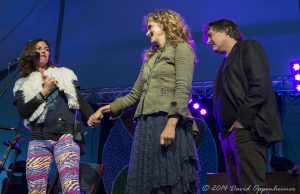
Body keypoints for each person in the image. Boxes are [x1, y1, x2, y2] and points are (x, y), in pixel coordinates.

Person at [88, 9, 199, 194]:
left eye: (150, 27)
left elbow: (182, 89)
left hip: (168, 121)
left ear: (164, 24)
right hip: (146, 126)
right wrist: (104, 109)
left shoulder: (181, 48)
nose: (147, 32)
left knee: (168, 180)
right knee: (145, 182)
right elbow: (134, 95)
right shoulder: (150, 58)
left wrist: (171, 124)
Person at [203, 19, 283, 193]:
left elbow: (260, 85)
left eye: (210, 35)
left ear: (225, 30)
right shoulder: (225, 63)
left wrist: (242, 121)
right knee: (240, 189)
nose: (208, 41)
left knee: (253, 188)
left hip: (246, 131)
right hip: (230, 136)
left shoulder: (248, 47)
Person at [13, 38, 94, 194]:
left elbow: (78, 98)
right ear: (30, 53)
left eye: (46, 49)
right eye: (39, 48)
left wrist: (91, 114)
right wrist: (45, 91)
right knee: (36, 190)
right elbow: (24, 112)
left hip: (65, 135)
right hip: (38, 137)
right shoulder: (22, 83)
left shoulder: (63, 74)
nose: (44, 51)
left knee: (70, 187)